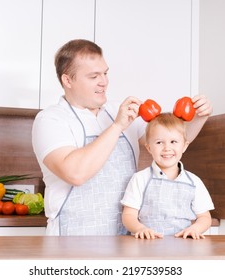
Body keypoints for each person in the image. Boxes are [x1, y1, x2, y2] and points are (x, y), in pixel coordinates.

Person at [31, 39, 213, 236]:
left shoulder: (117, 110)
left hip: (126, 236)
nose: (104, 82)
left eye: (105, 73)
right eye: (93, 76)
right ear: (68, 80)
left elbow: (169, 141)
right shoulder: (50, 120)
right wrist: (117, 126)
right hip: (73, 238)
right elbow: (75, 173)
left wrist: (199, 118)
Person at [121, 112, 214, 240]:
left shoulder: (194, 182)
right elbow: (128, 215)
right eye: (159, 142)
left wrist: (195, 229)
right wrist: (140, 228)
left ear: (184, 146)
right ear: (149, 148)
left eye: (173, 141)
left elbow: (205, 217)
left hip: (183, 247)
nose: (167, 148)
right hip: (147, 246)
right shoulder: (140, 179)